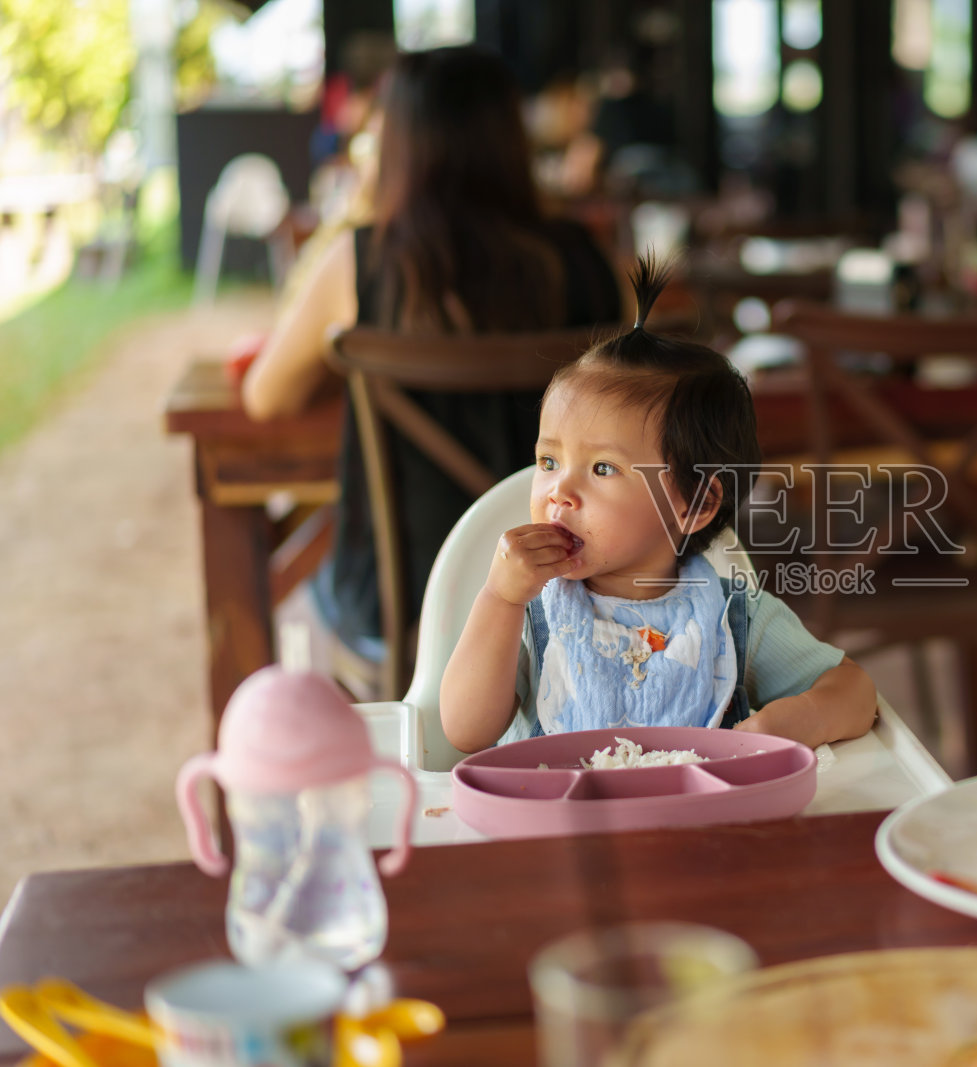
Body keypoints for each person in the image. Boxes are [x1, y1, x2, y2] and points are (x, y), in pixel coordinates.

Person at [243, 46, 623, 674]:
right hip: (576, 590)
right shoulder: (589, 259)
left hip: (406, 610)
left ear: (394, 143)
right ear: (512, 139)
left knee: (312, 593)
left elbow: (267, 397)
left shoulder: (363, 263)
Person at [439, 258, 878, 751]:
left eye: (603, 468)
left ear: (695, 504)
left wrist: (797, 721)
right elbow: (464, 731)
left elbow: (856, 691)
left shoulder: (733, 618)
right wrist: (500, 600)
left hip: (698, 825)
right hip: (554, 820)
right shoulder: (532, 612)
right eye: (548, 460)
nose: (558, 490)